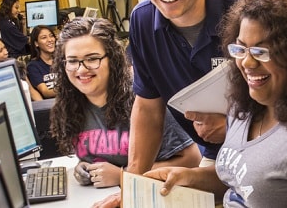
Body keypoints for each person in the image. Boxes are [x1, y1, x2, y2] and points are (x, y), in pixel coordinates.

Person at [145, 0, 287, 207]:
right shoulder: (243, 108)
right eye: (241, 49)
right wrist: (188, 177)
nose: (247, 62)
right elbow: (243, 183)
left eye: (260, 52)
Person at [126, 0, 244, 177]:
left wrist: (236, 126)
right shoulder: (142, 20)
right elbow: (148, 108)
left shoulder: (245, 12)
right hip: (215, 156)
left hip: (264, 147)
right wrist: (131, 186)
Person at [49, 17, 201, 206]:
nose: (81, 69)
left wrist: (122, 174)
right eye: (72, 61)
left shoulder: (143, 99)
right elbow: (93, 155)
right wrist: (84, 167)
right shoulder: (70, 104)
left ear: (111, 59)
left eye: (92, 59)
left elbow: (193, 159)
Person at [0, 36, 42, 101]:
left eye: (4, 48)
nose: (6, 52)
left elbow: (32, 91)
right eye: (1, 51)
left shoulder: (17, 66)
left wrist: (43, 105)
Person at [26, 25, 57, 99]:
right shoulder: (33, 66)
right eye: (44, 37)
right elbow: (45, 92)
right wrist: (68, 89)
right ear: (36, 43)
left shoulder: (61, 60)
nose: (50, 40)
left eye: (51, 36)